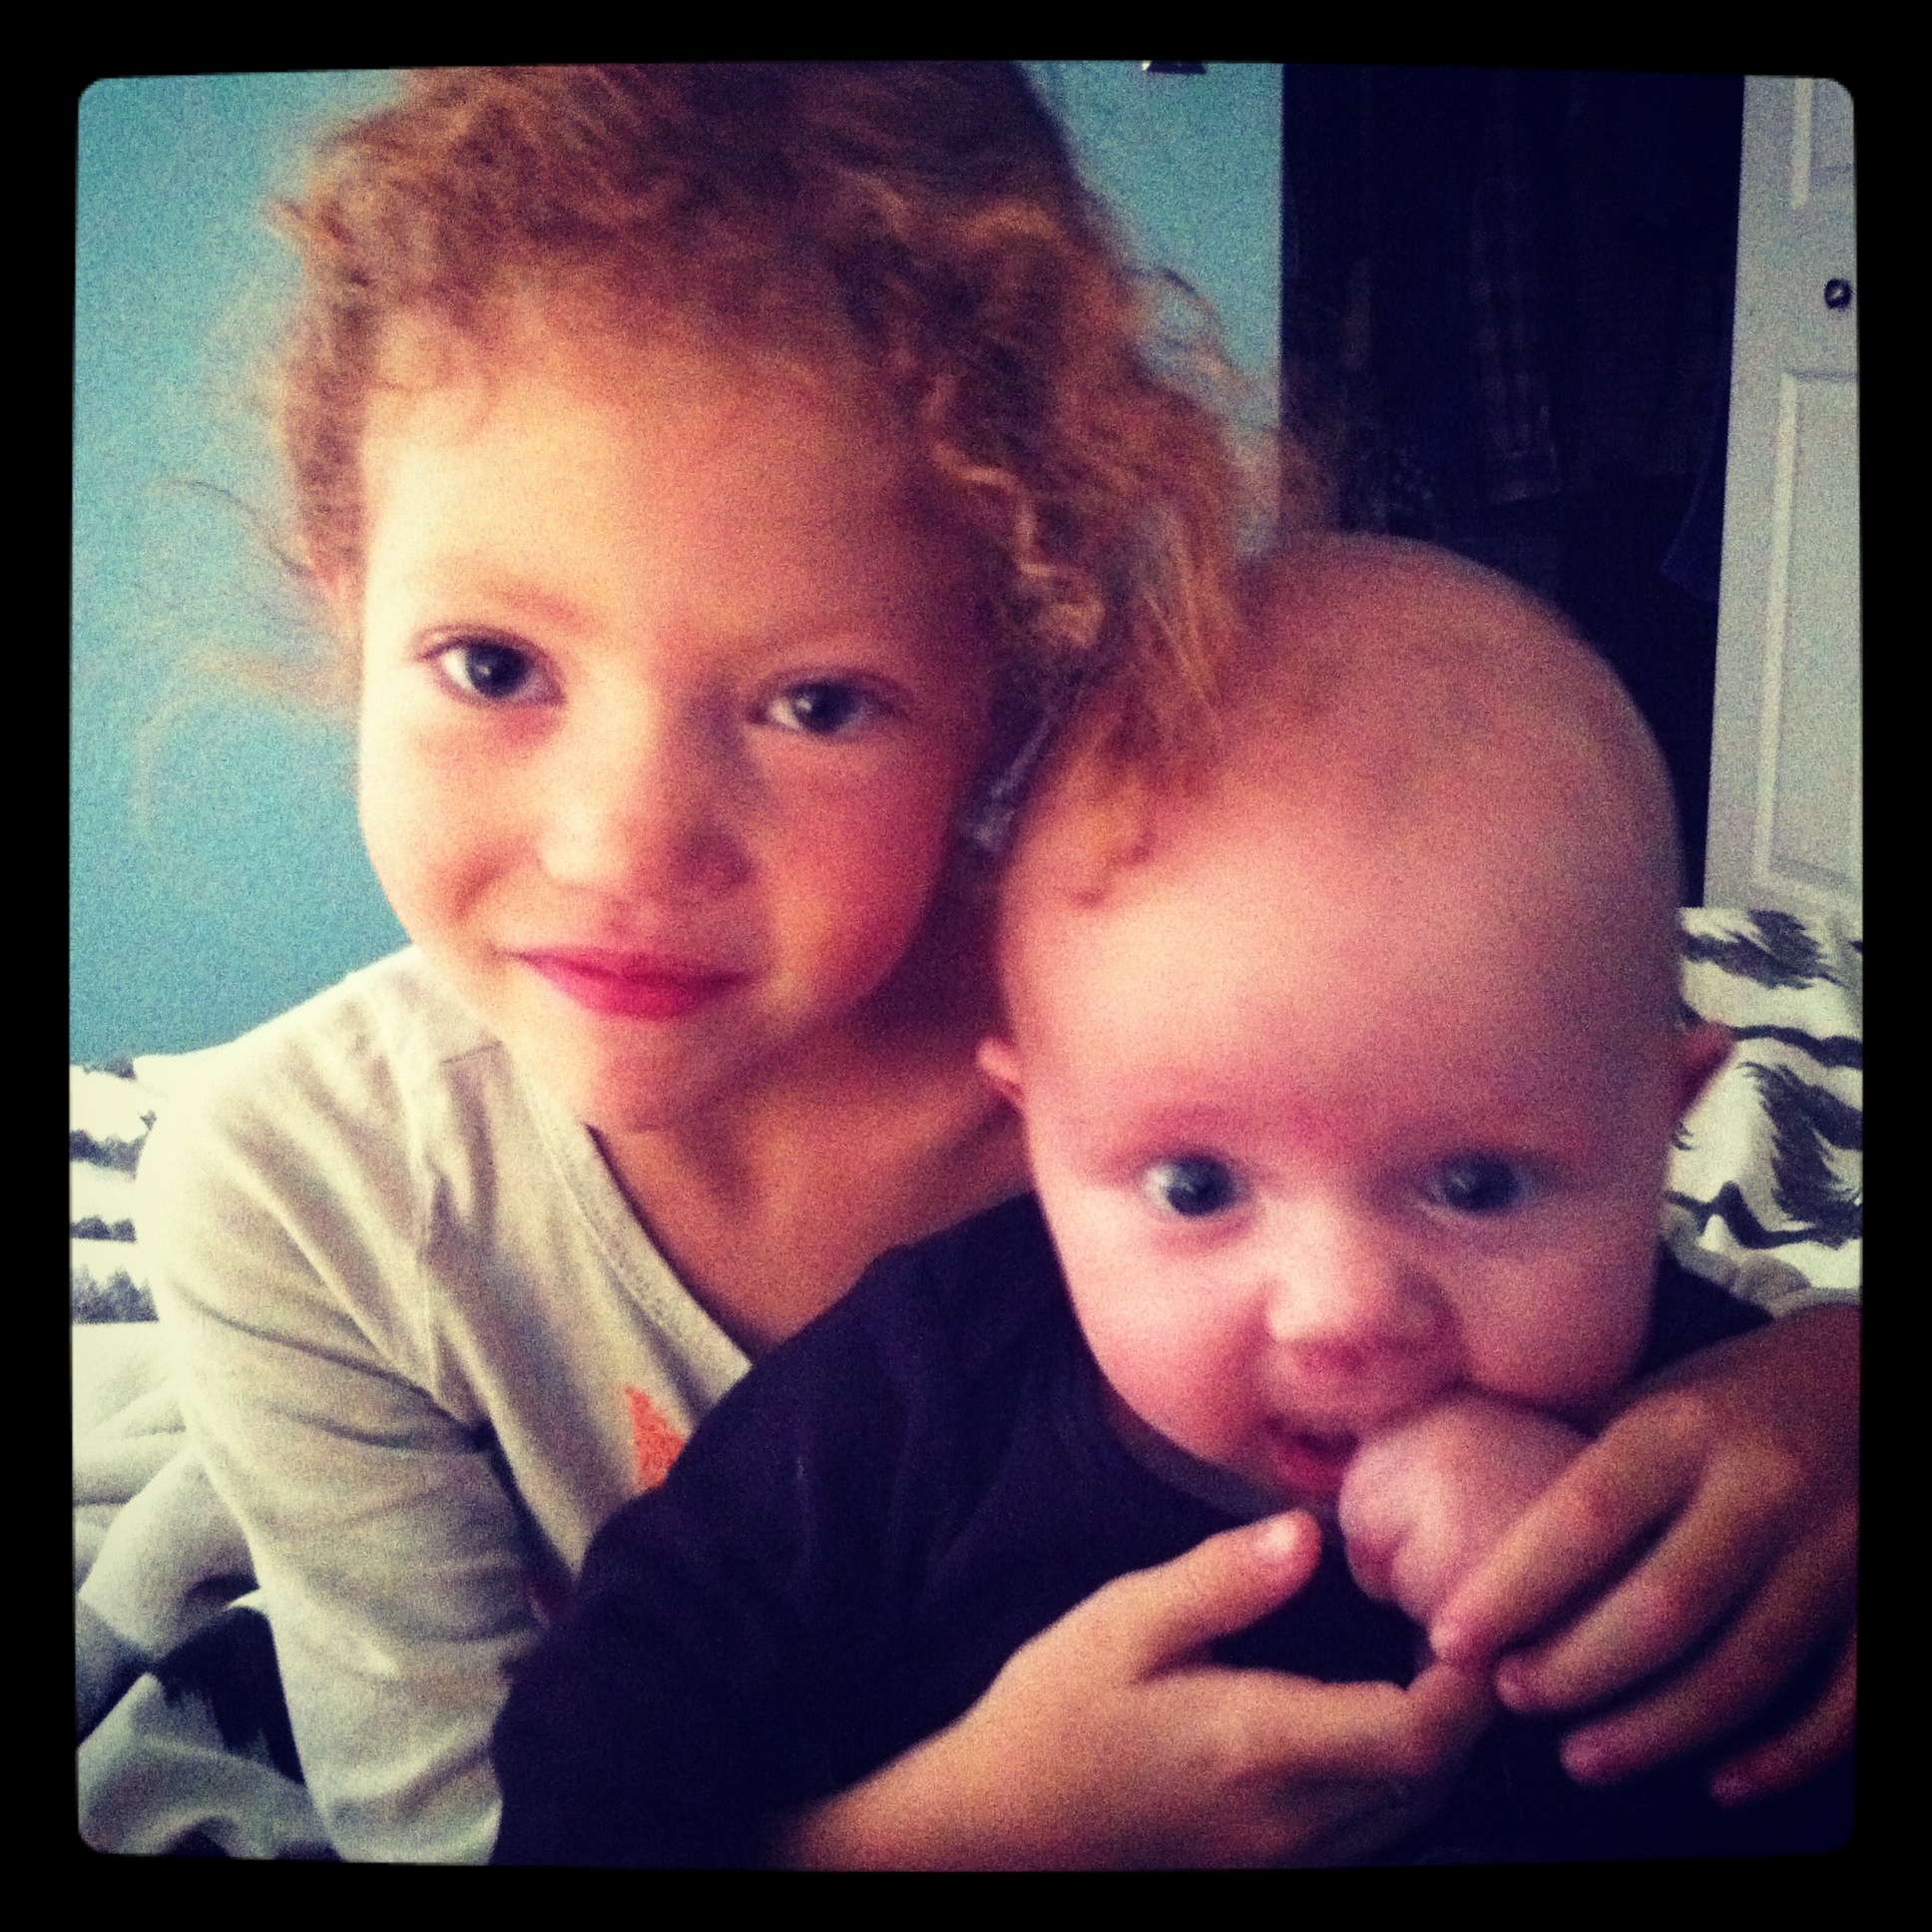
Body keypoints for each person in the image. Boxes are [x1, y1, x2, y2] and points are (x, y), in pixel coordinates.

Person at [133, 67, 1855, 1865]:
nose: (624, 849)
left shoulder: (1189, 1044)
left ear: (1008, 678)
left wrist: (1825, 1390)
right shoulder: (291, 1198)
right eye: (494, 665)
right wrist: (968, 1832)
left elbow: (1597, 1245)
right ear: (348, 588)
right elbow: (465, 1836)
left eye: (817, 702)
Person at [489, 536, 1855, 1866]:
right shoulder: (910, 1399)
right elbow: (582, 1788)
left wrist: (1615, 1575)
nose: (1338, 1313)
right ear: (1036, 1129)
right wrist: (975, 1832)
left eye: (1477, 1185)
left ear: (1666, 1123)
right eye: (1197, 1187)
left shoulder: (1736, 1437)